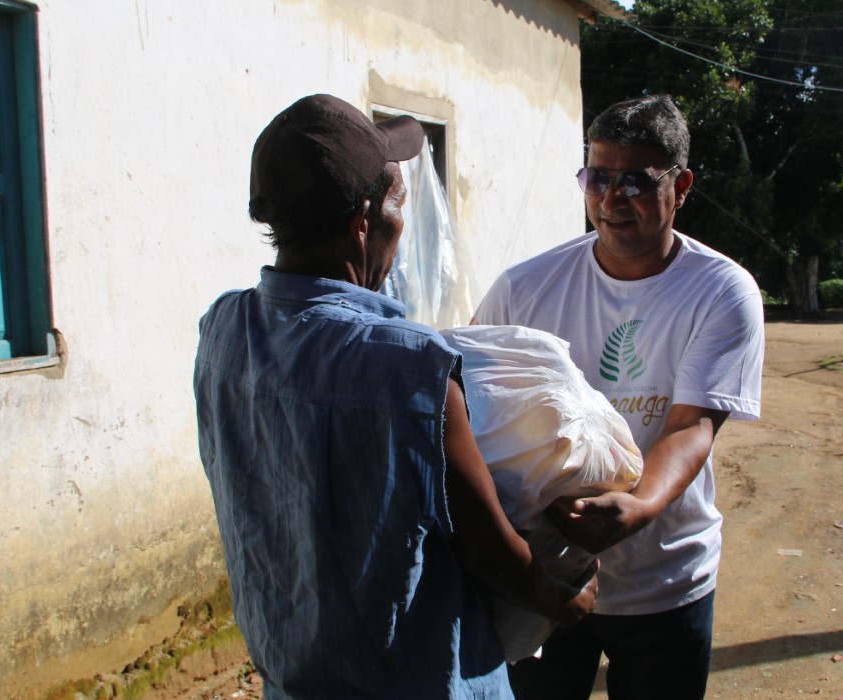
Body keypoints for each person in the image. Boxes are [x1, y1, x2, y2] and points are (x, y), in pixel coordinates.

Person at [194, 94, 596, 700]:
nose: (402, 226)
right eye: (399, 204)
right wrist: (562, 599)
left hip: (294, 676)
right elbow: (491, 554)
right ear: (364, 219)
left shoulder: (223, 329)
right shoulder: (408, 364)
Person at [473, 94, 765, 700]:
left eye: (635, 180)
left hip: (667, 577)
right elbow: (474, 404)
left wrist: (642, 505)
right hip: (542, 577)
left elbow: (692, 423)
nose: (610, 198)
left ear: (681, 186)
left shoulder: (721, 291)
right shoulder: (524, 288)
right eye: (597, 177)